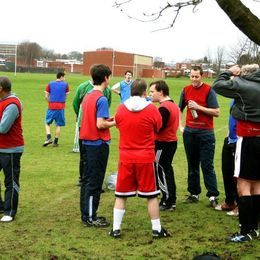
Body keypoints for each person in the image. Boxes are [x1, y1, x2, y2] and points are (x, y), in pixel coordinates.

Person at [109, 79, 170, 239]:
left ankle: (115, 228)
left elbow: (118, 124)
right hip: (145, 157)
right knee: (151, 195)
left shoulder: (121, 108)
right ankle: (156, 229)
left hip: (126, 157)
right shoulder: (151, 109)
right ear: (144, 92)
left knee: (121, 195)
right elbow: (158, 127)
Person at [212, 64, 260, 243]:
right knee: (256, 184)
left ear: (244, 75)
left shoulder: (243, 85)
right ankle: (254, 228)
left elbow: (217, 85)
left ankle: (245, 230)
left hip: (247, 138)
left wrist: (229, 72)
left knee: (243, 184)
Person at [79, 64, 115, 227]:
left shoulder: (88, 95)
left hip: (86, 143)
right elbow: (100, 125)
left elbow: (94, 119)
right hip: (97, 144)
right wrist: (115, 122)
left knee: (87, 180)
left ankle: (86, 215)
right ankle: (91, 217)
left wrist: (108, 119)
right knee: (94, 182)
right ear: (106, 78)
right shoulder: (102, 98)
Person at [178, 66, 220, 207]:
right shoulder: (185, 90)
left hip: (206, 133)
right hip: (190, 133)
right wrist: (180, 125)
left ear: (202, 76)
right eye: (192, 76)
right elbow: (180, 109)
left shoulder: (209, 90)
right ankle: (194, 193)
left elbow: (216, 112)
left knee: (207, 165)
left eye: (196, 76)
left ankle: (213, 195)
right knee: (192, 165)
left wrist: (198, 107)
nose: (194, 79)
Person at [72, 79, 112, 186]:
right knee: (84, 154)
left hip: (98, 126)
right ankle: (83, 179)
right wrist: (82, 117)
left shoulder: (107, 90)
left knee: (95, 156)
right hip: (84, 124)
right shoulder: (83, 87)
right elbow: (76, 103)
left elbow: (107, 105)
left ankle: (94, 181)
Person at [149, 80, 180, 211]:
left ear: (161, 92)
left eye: (152, 92)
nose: (150, 95)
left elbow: (159, 127)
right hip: (170, 142)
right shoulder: (172, 104)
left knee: (161, 170)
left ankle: (168, 200)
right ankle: (170, 198)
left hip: (163, 143)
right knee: (166, 169)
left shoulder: (164, 108)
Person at [0, 76, 24, 222]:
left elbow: (3, 127)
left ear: (1, 88)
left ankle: (9, 211)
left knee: (11, 181)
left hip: (11, 150)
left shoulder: (13, 104)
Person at [215, 100, 238, 216]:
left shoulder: (249, 95)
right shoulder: (234, 97)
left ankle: (241, 205)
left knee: (240, 175)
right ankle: (230, 201)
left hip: (242, 140)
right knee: (227, 170)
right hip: (230, 139)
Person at [43, 72, 70, 147]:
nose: (65, 79)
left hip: (51, 106)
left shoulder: (50, 84)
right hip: (61, 107)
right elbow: (66, 96)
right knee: (58, 124)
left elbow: (46, 96)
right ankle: (55, 142)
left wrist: (49, 102)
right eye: (64, 77)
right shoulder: (66, 84)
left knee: (47, 123)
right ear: (61, 77)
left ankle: (48, 138)